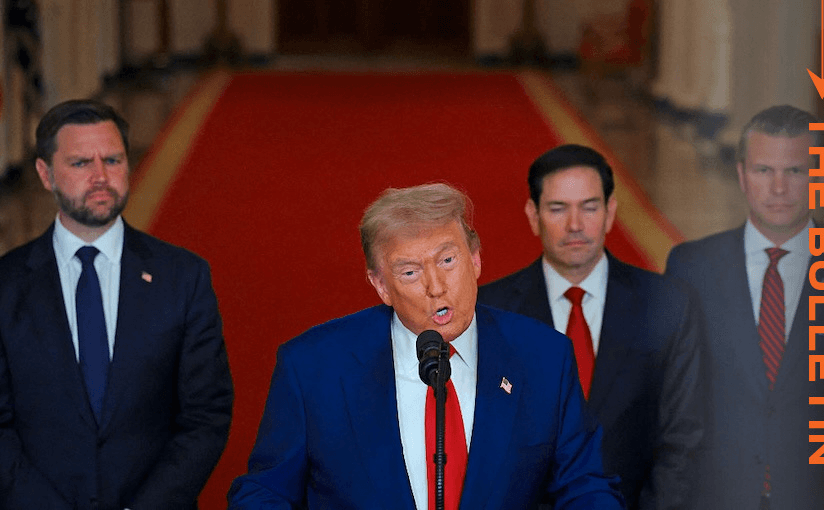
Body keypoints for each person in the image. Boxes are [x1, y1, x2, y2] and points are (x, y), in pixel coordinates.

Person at [228, 183, 624, 509]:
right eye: (410, 272)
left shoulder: (544, 357)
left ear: (476, 259)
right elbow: (265, 492)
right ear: (381, 285)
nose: (436, 287)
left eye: (448, 260)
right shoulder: (313, 367)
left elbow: (584, 486)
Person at [0, 100, 233, 509]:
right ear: (44, 173)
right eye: (80, 163)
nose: (101, 177)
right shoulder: (6, 285)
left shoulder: (183, 276)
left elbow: (205, 416)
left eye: (112, 159)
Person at [478, 144, 703, 509]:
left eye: (589, 207)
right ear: (533, 216)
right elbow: (483, 447)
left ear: (611, 212)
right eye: (557, 209)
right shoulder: (490, 312)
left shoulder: (669, 305)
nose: (575, 225)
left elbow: (685, 440)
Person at [665, 105, 824, 510]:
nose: (779, 188)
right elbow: (673, 403)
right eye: (764, 171)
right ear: (742, 175)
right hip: (718, 497)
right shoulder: (691, 267)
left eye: (796, 171)